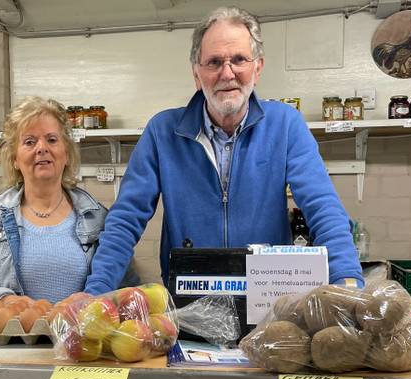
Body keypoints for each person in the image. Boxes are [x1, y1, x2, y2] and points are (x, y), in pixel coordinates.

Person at [84, 7, 363, 295]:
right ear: (197, 74)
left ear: (258, 67)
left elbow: (323, 207)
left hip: (269, 299)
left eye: (239, 60)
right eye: (214, 62)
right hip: (191, 300)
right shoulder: (162, 132)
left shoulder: (285, 124)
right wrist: (96, 290)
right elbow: (125, 219)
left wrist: (348, 281)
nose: (227, 73)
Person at [0, 96, 138, 311]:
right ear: (15, 159)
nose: (42, 148)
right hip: (14, 343)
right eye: (29, 141)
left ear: (66, 153)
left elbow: (129, 291)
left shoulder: (97, 217)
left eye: (52, 139)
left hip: (81, 342)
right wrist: (3, 300)